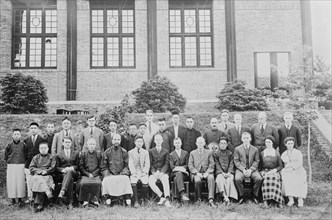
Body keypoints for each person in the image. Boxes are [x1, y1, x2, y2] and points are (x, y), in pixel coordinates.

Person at [101, 134, 133, 206]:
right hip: (110, 174)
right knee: (107, 180)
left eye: (118, 140)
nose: (116, 141)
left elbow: (127, 165)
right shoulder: (107, 152)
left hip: (121, 174)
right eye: (115, 140)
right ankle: (108, 200)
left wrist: (123, 173)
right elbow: (103, 166)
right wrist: (108, 174)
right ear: (112, 141)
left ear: (120, 141)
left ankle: (128, 200)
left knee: (125, 179)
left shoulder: (124, 152)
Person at [234, 132, 263, 205]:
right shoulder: (237, 149)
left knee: (259, 179)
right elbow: (236, 161)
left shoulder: (255, 149)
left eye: (247, 138)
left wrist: (251, 170)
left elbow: (257, 161)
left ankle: (255, 195)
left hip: (252, 169)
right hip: (241, 169)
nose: (246, 140)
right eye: (244, 138)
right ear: (241, 139)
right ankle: (242, 195)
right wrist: (243, 169)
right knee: (237, 179)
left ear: (250, 139)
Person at [188, 137, 216, 207]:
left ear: (204, 143)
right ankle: (198, 199)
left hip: (207, 172)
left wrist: (207, 172)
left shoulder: (209, 152)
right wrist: (197, 173)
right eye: (198, 142)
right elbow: (190, 165)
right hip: (196, 173)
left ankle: (211, 199)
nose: (200, 144)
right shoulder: (192, 153)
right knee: (197, 180)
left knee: (211, 178)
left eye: (201, 142)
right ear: (196, 143)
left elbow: (212, 164)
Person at [29, 142, 56, 212]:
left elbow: (53, 167)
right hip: (37, 175)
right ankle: (47, 192)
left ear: (48, 149)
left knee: (39, 180)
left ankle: (38, 203)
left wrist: (46, 171)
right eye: (41, 148)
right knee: (38, 178)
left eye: (45, 148)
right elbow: (31, 168)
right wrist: (40, 171)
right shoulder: (35, 157)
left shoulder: (51, 157)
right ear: (39, 149)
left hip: (47, 176)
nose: (43, 149)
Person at [281, 137, 307, 208]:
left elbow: (299, 163)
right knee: (287, 177)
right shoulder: (284, 154)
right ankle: (291, 199)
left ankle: (300, 199)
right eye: (288, 144)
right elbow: (286, 164)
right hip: (288, 169)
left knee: (299, 179)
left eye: (291, 143)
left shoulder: (298, 152)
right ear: (285, 144)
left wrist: (293, 168)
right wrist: (289, 168)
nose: (290, 145)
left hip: (297, 169)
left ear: (293, 144)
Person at [24, 122, 46, 204]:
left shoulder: (42, 140)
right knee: (29, 181)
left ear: (38, 129)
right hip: (28, 164)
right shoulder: (26, 140)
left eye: (35, 128)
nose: (33, 130)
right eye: (32, 128)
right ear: (29, 129)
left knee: (37, 180)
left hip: (38, 164)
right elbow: (24, 153)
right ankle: (30, 198)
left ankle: (37, 198)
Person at [55, 136, 80, 210]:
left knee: (70, 172)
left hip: (74, 173)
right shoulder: (58, 154)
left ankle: (63, 190)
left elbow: (78, 166)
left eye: (69, 142)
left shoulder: (76, 153)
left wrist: (73, 168)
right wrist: (63, 170)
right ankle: (70, 202)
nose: (67, 144)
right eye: (66, 142)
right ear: (63, 143)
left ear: (71, 143)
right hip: (63, 174)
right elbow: (56, 167)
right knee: (70, 179)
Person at [260, 136, 284, 208]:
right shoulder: (262, 153)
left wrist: (275, 170)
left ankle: (277, 200)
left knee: (275, 178)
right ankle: (265, 200)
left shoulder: (276, 153)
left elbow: (280, 166)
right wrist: (263, 171)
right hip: (265, 171)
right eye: (266, 142)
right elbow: (260, 165)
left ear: (272, 143)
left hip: (274, 171)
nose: (267, 144)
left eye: (269, 142)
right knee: (267, 178)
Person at [148, 134, 172, 208]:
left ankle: (167, 198)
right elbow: (150, 163)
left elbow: (166, 164)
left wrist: (162, 172)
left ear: (162, 140)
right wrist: (154, 173)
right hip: (154, 172)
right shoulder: (151, 151)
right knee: (150, 181)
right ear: (154, 141)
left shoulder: (166, 151)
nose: (158, 141)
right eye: (156, 140)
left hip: (163, 172)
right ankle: (161, 195)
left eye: (159, 139)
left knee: (165, 179)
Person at [5, 128, 27, 206]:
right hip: (11, 165)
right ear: (12, 135)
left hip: (21, 164)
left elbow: (26, 155)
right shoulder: (9, 145)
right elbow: (6, 156)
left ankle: (20, 199)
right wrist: (10, 162)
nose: (16, 136)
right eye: (15, 134)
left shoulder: (23, 145)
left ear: (20, 135)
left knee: (20, 182)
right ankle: (13, 200)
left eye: (18, 134)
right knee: (12, 182)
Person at [78, 138, 102, 208]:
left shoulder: (98, 154)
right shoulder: (83, 154)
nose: (92, 146)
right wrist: (88, 174)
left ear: (95, 145)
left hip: (96, 174)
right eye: (90, 144)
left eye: (93, 144)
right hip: (86, 174)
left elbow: (100, 166)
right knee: (83, 183)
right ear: (87, 145)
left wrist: (94, 174)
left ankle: (95, 200)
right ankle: (85, 200)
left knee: (98, 183)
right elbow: (81, 167)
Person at [214, 137, 238, 205]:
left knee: (230, 179)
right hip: (220, 173)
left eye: (224, 143)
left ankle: (227, 198)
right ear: (219, 144)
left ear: (227, 144)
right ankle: (225, 196)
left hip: (229, 172)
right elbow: (217, 164)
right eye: (221, 143)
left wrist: (229, 172)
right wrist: (222, 172)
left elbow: (231, 164)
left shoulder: (230, 153)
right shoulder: (216, 154)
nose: (223, 145)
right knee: (220, 179)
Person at [128, 135, 150, 208]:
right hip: (135, 171)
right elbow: (130, 164)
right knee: (133, 180)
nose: (139, 143)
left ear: (143, 143)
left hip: (143, 171)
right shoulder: (130, 152)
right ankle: (136, 200)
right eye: (138, 141)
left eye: (141, 142)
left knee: (145, 180)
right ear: (135, 142)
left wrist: (144, 172)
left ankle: (143, 199)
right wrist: (133, 173)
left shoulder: (146, 152)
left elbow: (147, 164)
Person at [169, 138, 190, 202]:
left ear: (181, 143)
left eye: (178, 143)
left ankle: (176, 197)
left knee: (178, 176)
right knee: (178, 174)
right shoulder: (171, 154)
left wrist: (179, 168)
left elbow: (187, 164)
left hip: (184, 173)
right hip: (174, 173)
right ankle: (182, 194)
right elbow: (172, 166)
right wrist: (181, 168)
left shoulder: (185, 153)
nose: (177, 144)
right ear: (174, 144)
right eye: (176, 143)